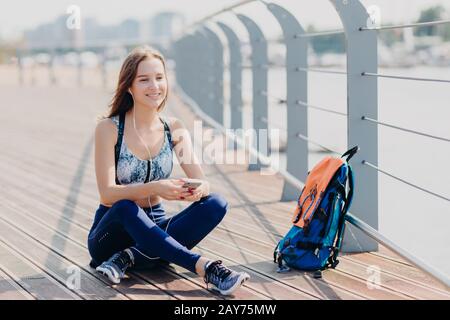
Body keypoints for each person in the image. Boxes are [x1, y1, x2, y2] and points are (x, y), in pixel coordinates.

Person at [87, 46, 250, 296]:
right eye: (144, 80)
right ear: (128, 86)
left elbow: (202, 183)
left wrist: (192, 189)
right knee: (125, 206)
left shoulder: (174, 128)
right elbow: (107, 194)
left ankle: (130, 257)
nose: (155, 86)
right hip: (110, 235)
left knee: (216, 202)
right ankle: (205, 268)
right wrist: (155, 188)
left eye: (159, 77)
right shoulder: (108, 129)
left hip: (157, 225)